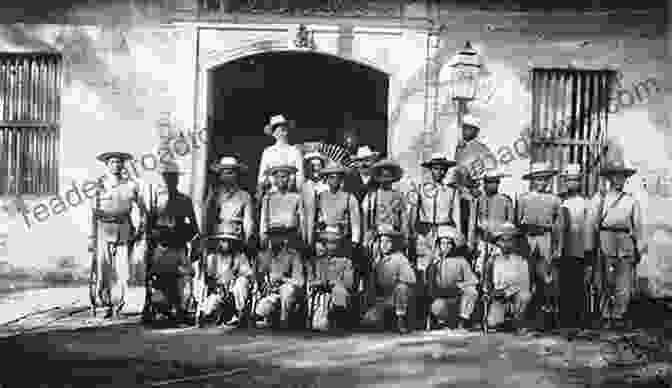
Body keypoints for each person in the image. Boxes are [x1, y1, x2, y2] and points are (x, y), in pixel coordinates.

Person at [587, 159, 645, 330]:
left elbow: (638, 227)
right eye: (615, 177)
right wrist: (590, 247)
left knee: (623, 281)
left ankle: (619, 315)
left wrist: (638, 248)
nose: (619, 180)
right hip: (605, 239)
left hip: (625, 242)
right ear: (609, 178)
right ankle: (606, 315)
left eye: (622, 177)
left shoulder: (631, 200)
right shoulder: (600, 198)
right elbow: (591, 224)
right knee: (604, 279)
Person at [89, 151, 145, 319]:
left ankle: (118, 305)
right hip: (103, 230)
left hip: (123, 229)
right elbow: (92, 211)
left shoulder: (131, 185)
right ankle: (105, 304)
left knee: (122, 271)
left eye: (119, 162)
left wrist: (140, 228)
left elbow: (141, 208)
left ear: (123, 165)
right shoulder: (98, 184)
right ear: (107, 165)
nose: (116, 165)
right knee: (103, 269)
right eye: (112, 162)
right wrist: (91, 237)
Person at [143, 160, 199, 324]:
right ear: (161, 178)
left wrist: (188, 236)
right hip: (161, 248)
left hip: (179, 247)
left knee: (184, 281)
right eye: (166, 177)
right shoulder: (155, 202)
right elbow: (148, 226)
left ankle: (181, 309)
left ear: (178, 179)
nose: (170, 180)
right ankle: (160, 309)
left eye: (173, 177)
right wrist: (153, 241)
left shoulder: (184, 200)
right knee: (159, 281)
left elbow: (195, 227)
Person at [516, 161, 562, 329]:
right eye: (538, 179)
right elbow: (518, 223)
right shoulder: (523, 199)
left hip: (546, 239)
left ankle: (546, 318)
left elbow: (559, 227)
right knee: (526, 276)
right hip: (528, 239)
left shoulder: (555, 200)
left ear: (549, 180)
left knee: (546, 277)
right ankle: (526, 316)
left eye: (544, 179)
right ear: (532, 181)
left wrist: (557, 248)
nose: (541, 183)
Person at [410, 153, 462, 270]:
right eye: (435, 169)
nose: (439, 172)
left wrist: (457, 235)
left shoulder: (452, 192)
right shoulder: (421, 189)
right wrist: (412, 232)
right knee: (423, 266)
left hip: (444, 232)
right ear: (430, 170)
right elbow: (414, 212)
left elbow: (456, 216)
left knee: (442, 266)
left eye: (442, 169)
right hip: (424, 232)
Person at [556, 163, 593, 329]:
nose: (571, 183)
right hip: (561, 249)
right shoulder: (559, 200)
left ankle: (578, 319)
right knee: (562, 285)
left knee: (578, 285)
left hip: (578, 249)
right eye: (568, 180)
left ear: (579, 182)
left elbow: (589, 227)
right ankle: (564, 319)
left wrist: (588, 250)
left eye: (575, 180)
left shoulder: (585, 203)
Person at [196, 223, 254, 328]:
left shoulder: (239, 257)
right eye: (222, 240)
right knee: (210, 306)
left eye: (228, 241)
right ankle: (208, 313)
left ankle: (241, 313)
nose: (225, 243)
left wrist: (235, 280)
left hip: (234, 294)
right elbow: (208, 279)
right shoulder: (212, 258)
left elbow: (248, 275)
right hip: (219, 292)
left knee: (242, 282)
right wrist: (218, 288)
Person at [362, 224, 416, 334]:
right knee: (369, 320)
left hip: (397, 298)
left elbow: (411, 280)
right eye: (382, 242)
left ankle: (401, 321)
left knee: (402, 288)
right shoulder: (377, 261)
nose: (384, 245)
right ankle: (385, 320)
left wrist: (398, 281)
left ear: (394, 243)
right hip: (382, 299)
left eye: (388, 242)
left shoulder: (400, 258)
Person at [425, 225, 478, 330]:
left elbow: (473, 281)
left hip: (459, 296)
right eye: (443, 243)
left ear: (453, 245)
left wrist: (461, 286)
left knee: (472, 291)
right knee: (437, 306)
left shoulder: (461, 261)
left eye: (449, 243)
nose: (445, 246)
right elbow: (430, 285)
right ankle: (443, 322)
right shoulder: (435, 263)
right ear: (439, 245)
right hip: (443, 296)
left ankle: (463, 321)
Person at [254, 225, 306, 329]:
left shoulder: (293, 255)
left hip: (288, 292)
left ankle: (284, 320)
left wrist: (282, 278)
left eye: (278, 236)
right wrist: (263, 284)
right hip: (271, 293)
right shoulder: (263, 256)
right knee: (262, 309)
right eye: (272, 236)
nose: (275, 240)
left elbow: (300, 281)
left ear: (284, 238)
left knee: (287, 290)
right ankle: (271, 318)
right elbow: (258, 278)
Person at [306, 225, 357, 331]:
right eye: (328, 243)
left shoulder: (346, 262)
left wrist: (332, 283)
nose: (331, 246)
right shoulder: (317, 262)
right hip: (320, 296)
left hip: (337, 294)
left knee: (339, 291)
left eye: (334, 243)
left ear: (339, 244)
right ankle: (317, 317)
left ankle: (338, 320)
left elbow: (349, 283)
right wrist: (318, 283)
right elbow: (310, 281)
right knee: (319, 324)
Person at [486, 223, 532, 334]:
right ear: (498, 242)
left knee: (525, 296)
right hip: (499, 298)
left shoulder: (521, 261)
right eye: (503, 240)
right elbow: (490, 284)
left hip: (516, 297)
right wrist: (492, 293)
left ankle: (518, 321)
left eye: (509, 240)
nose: (506, 244)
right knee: (493, 324)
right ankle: (502, 320)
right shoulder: (493, 261)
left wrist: (508, 292)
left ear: (514, 242)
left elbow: (524, 285)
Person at [362, 159, 410, 261]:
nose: (385, 180)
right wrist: (366, 238)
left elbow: (404, 218)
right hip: (377, 234)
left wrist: (405, 236)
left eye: (388, 177)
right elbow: (366, 218)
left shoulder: (399, 196)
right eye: (383, 177)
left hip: (395, 235)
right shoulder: (372, 196)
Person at [204, 156, 256, 249]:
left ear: (236, 174)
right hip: (217, 238)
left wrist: (247, 240)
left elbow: (248, 222)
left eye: (231, 172)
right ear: (220, 175)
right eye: (224, 172)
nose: (227, 175)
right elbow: (208, 217)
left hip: (236, 238)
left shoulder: (245, 196)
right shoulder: (214, 194)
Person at [473, 169, 514, 275]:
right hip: (483, 240)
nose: (492, 185)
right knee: (480, 269)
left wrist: (501, 237)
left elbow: (510, 223)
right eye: (489, 182)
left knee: (498, 269)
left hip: (500, 241)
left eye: (495, 182)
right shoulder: (478, 200)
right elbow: (474, 221)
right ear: (484, 184)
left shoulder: (505, 201)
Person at [259, 164, 306, 250]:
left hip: (291, 236)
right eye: (277, 177)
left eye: (283, 177)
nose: (280, 180)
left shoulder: (296, 197)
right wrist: (263, 238)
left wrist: (302, 239)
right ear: (274, 180)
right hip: (273, 237)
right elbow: (264, 220)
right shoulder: (268, 198)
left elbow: (302, 221)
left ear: (288, 178)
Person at [258, 114, 304, 196]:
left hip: (291, 192)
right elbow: (262, 177)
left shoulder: (295, 151)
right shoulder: (268, 152)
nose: (281, 134)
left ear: (287, 131)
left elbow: (300, 177)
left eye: (284, 130)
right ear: (273, 134)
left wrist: (297, 192)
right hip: (272, 192)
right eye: (277, 131)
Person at [301, 151, 329, 249]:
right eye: (312, 166)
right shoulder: (303, 188)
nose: (315, 169)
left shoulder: (328, 187)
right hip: (308, 229)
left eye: (318, 165)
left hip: (325, 230)